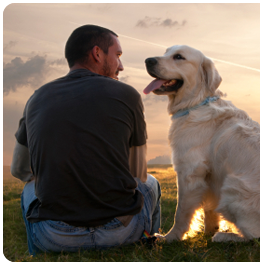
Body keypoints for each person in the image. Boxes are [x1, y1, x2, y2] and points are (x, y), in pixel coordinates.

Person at [10, 24, 161, 255]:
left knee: (30, 187)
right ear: (97, 53)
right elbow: (137, 173)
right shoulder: (128, 94)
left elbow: (19, 170)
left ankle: (39, 257)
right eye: (118, 55)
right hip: (120, 232)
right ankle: (148, 243)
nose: (121, 65)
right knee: (151, 183)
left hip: (55, 236)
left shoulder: (36, 98)